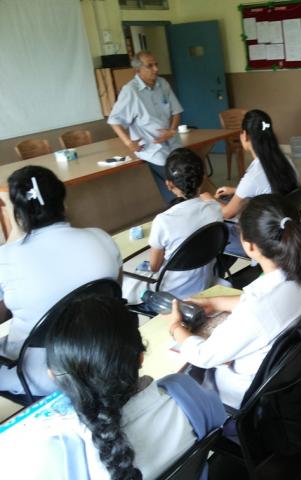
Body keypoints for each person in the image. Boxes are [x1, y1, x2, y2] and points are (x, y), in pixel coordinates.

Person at [0, 295, 227, 479]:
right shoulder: (184, 392)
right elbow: (218, 422)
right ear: (140, 357)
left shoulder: (53, 451)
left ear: (52, 374)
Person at [164, 194, 301, 409]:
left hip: (248, 395)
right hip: (295, 378)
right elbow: (266, 305)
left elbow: (203, 356)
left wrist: (175, 327)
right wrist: (216, 302)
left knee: (181, 375)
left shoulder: (258, 307)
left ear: (249, 246)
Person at [0, 166, 121, 397]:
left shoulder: (6, 258)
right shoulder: (101, 238)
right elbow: (113, 299)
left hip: (40, 377)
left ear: (17, 213)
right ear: (63, 203)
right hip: (103, 357)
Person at [122, 148, 224, 304]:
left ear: (169, 185)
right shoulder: (214, 209)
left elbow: (155, 267)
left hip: (171, 294)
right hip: (204, 282)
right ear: (203, 178)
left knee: (125, 283)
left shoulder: (163, 221)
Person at [208, 109, 299, 258]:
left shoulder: (254, 175)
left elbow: (227, 213)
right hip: (284, 228)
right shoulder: (285, 160)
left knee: (210, 230)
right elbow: (268, 186)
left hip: (264, 240)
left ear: (244, 135)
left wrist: (209, 199)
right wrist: (237, 190)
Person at [108, 50, 183, 204]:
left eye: (156, 64)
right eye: (150, 66)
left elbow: (176, 111)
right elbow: (114, 120)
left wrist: (172, 130)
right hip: (153, 150)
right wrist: (129, 143)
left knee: (186, 180)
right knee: (175, 188)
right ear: (138, 69)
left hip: (173, 143)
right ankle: (178, 208)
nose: (156, 69)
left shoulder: (163, 83)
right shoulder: (131, 91)